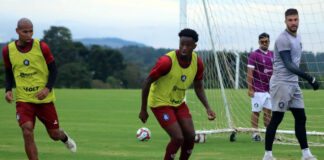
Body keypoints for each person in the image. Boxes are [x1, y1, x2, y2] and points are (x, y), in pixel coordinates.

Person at [2, 18, 77, 160]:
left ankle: (65, 138)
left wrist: (47, 89)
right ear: (17, 31)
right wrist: (8, 90)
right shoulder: (8, 50)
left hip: (44, 100)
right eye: (25, 32)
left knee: (54, 135)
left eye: (31, 31)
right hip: (24, 99)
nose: (29, 35)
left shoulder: (42, 47)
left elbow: (54, 70)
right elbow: (8, 71)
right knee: (27, 130)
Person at [139, 28, 216, 160]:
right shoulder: (166, 62)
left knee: (191, 136)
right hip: (160, 103)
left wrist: (207, 107)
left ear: (194, 46)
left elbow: (199, 87)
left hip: (179, 103)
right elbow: (147, 82)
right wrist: (143, 109)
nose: (184, 48)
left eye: (188, 45)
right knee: (178, 138)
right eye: (181, 44)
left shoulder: (197, 63)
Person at [263, 9, 319, 160]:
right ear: (285, 21)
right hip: (281, 83)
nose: (293, 23)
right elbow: (288, 64)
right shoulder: (283, 39)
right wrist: (309, 77)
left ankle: (306, 154)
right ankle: (267, 155)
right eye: (290, 20)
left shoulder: (298, 37)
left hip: (293, 84)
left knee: (301, 117)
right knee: (277, 118)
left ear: (298, 20)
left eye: (295, 20)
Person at [247, 33, 273, 141]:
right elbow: (249, 73)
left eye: (266, 41)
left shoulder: (272, 54)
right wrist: (250, 88)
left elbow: (274, 71)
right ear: (259, 42)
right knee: (256, 111)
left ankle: (269, 134)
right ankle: (255, 135)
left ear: (269, 42)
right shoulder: (254, 55)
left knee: (268, 112)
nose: (264, 43)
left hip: (268, 90)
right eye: (262, 42)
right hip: (257, 89)